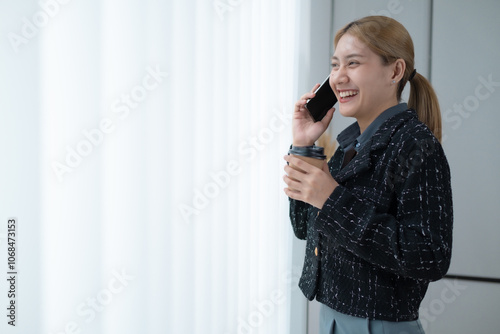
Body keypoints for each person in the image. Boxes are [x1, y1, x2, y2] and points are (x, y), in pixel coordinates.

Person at [283, 16, 453, 334]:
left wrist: (331, 199)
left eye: (353, 63)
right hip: (331, 317)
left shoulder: (415, 144)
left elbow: (430, 256)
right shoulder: (349, 144)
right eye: (335, 65)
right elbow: (303, 227)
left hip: (377, 326)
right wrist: (304, 142)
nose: (338, 77)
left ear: (395, 71)